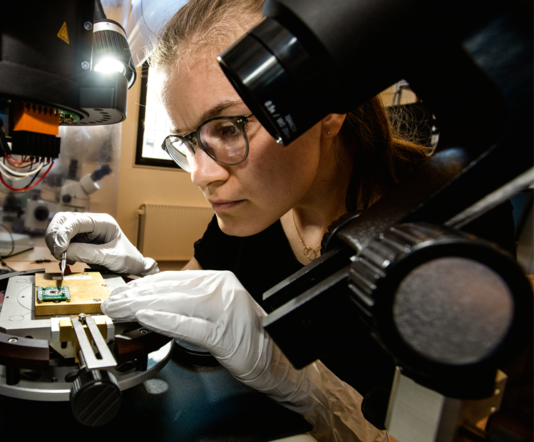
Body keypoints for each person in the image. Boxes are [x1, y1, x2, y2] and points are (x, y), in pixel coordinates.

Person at [45, 0, 515, 440]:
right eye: (188, 142)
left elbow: (455, 431)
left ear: (326, 110)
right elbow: (197, 294)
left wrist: (307, 387)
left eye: (229, 128)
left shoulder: (453, 220)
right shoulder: (252, 213)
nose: (200, 174)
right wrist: (137, 275)